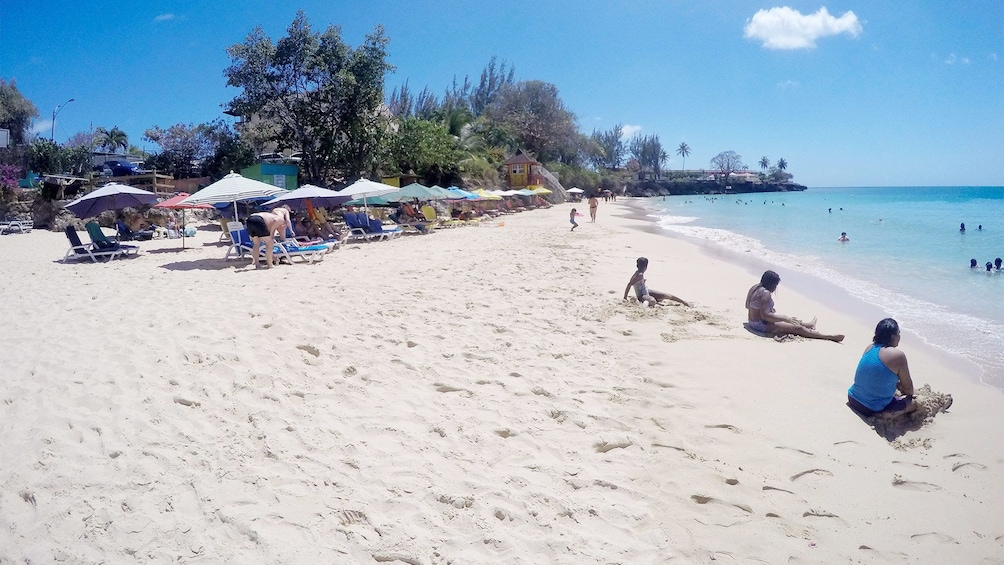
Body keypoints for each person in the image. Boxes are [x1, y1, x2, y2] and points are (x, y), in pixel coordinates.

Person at [745, 270, 844, 342]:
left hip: (751, 321)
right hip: (759, 325)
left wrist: (761, 310)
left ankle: (808, 325)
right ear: (770, 283)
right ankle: (829, 336)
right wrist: (784, 318)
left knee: (787, 320)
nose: (775, 288)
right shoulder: (765, 293)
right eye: (775, 285)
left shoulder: (755, 287)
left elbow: (747, 305)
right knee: (796, 328)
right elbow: (765, 316)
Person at [847, 318, 917, 418]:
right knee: (914, 402)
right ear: (893, 337)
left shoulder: (870, 348)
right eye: (898, 333)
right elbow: (909, 389)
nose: (899, 336)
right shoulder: (898, 356)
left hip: (852, 398)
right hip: (871, 409)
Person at [623, 257, 690, 307]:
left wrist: (643, 282)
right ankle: (647, 304)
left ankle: (684, 303)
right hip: (642, 295)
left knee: (666, 295)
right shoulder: (639, 275)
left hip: (646, 291)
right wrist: (625, 298)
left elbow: (635, 283)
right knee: (652, 301)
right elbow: (629, 284)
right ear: (646, 267)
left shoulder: (638, 273)